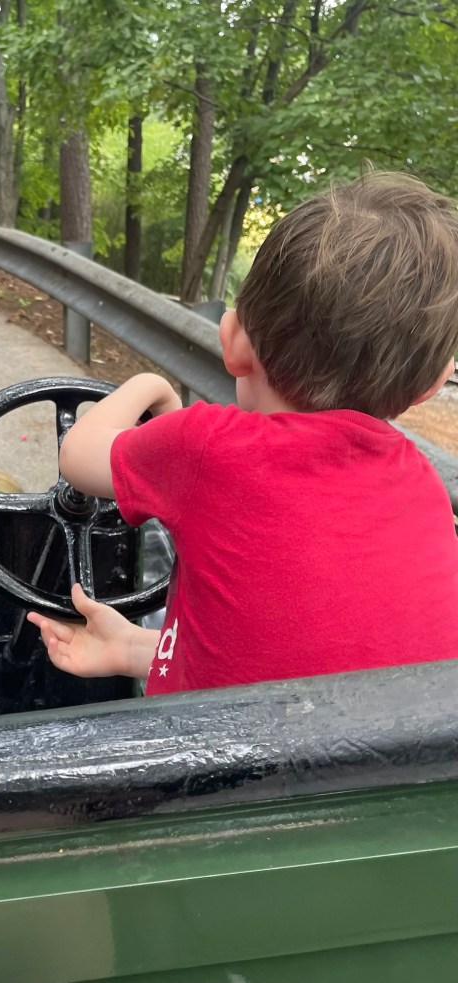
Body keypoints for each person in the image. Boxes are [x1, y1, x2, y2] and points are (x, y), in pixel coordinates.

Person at [28, 171, 458, 694]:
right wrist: (135, 649)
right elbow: (303, 663)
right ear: (430, 385)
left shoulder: (206, 446)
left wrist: (148, 384)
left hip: (220, 767)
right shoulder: (426, 489)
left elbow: (77, 454)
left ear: (231, 342)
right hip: (400, 762)